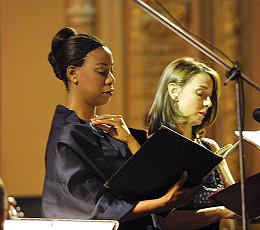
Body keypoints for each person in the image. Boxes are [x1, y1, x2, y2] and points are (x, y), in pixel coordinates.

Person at [42, 27, 197, 230]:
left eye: (112, 71)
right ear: (73, 73)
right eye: (101, 71)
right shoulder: (67, 137)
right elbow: (92, 207)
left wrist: (132, 141)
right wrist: (162, 203)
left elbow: (144, 182)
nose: (111, 79)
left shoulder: (108, 129)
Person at [148, 57, 239, 230]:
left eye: (211, 96)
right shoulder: (157, 147)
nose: (209, 103)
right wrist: (220, 212)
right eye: (200, 94)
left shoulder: (211, 147)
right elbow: (164, 221)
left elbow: (237, 206)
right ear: (174, 91)